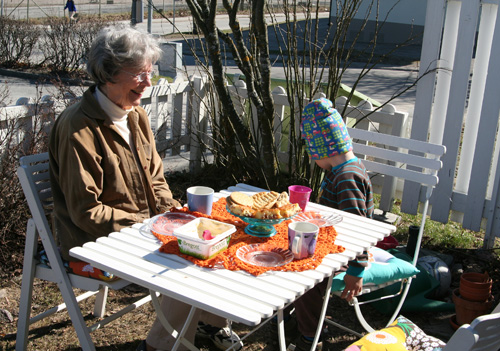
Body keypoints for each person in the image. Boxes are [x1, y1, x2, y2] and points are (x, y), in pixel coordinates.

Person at [48, 24, 241, 351]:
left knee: (216, 238)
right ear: (109, 73)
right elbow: (86, 212)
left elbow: (156, 180)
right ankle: (160, 345)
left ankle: (208, 325)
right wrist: (150, 225)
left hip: (142, 228)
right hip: (94, 242)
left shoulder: (134, 115)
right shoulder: (77, 128)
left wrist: (175, 215)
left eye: (149, 72)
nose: (148, 83)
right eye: (139, 74)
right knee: (188, 260)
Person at [276, 98, 374, 351]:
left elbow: (359, 230)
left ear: (322, 151)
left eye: (312, 153)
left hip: (348, 253)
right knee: (286, 252)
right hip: (334, 244)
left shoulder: (346, 178)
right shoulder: (343, 169)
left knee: (303, 277)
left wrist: (357, 271)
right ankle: (294, 316)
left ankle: (312, 334)